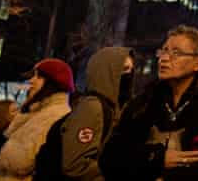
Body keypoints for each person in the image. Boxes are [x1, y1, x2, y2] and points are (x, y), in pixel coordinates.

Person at [99, 25, 198, 181]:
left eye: (176, 53)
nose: (164, 58)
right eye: (163, 51)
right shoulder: (143, 103)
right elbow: (110, 159)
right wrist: (156, 159)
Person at [34, 47, 135, 180]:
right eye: (123, 69)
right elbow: (76, 165)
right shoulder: (93, 107)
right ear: (106, 72)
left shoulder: (112, 107)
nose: (128, 75)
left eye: (131, 70)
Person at [0, 58, 74, 181]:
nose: (31, 80)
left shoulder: (54, 114)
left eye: (39, 76)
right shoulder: (37, 111)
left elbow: (23, 161)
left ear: (53, 83)